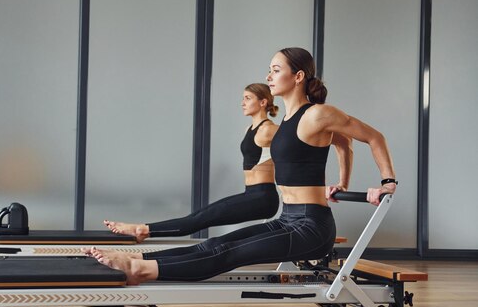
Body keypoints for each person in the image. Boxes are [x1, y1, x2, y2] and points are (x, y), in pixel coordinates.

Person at [87, 47, 392, 285]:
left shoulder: (317, 114)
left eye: (276, 70)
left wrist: (388, 181)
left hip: (311, 226)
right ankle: (136, 257)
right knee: (216, 242)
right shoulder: (286, 120)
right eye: (269, 71)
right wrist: (342, 183)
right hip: (287, 219)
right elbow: (342, 143)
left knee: (227, 253)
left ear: (298, 76)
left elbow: (372, 137)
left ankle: (140, 270)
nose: (269, 76)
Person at [102, 83, 280, 244]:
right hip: (250, 194)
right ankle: (143, 230)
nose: (242, 102)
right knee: (200, 216)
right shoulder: (249, 129)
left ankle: (142, 229)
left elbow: (295, 146)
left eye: (248, 98)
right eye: (243, 98)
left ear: (263, 102)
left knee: (200, 219)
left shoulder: (269, 129)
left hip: (263, 198)